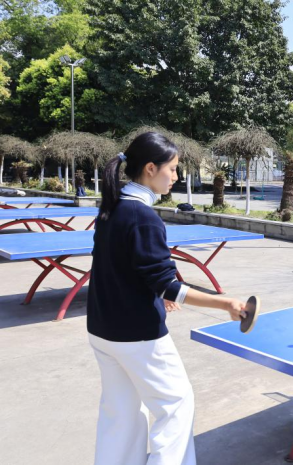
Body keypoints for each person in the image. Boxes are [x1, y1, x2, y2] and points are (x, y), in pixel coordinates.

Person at [87, 132, 248, 465]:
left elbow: (119, 267)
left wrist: (155, 291)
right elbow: (167, 285)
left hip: (102, 329)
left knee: (120, 412)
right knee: (176, 405)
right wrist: (226, 303)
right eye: (172, 169)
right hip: (137, 334)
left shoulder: (112, 208)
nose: (176, 176)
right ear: (150, 168)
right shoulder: (143, 217)